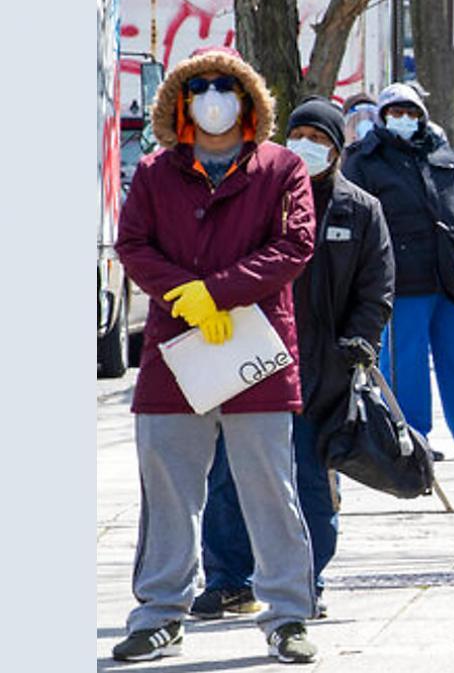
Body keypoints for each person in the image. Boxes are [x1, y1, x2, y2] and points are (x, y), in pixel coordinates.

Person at [111, 46, 320, 664]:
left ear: (248, 100)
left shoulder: (282, 169)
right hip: (176, 357)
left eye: (225, 85)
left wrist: (220, 292)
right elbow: (133, 244)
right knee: (168, 490)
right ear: (180, 102)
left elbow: (296, 244)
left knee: (270, 489)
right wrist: (184, 295)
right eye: (199, 86)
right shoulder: (152, 172)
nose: (213, 96)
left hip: (255, 353)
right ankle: (159, 614)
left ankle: (287, 613)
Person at [189, 97, 395, 623]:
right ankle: (228, 580)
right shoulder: (259, 200)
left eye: (321, 139)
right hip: (253, 364)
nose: (309, 147)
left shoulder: (361, 210)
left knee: (309, 480)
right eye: (299, 134)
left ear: (338, 148)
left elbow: (377, 288)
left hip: (322, 370)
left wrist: (361, 341)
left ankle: (307, 579)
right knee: (232, 476)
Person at [343, 82, 454, 458]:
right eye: (397, 112)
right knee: (405, 363)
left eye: (412, 113)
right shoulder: (364, 159)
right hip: (401, 279)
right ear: (382, 116)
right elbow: (355, 219)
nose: (405, 119)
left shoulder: (442, 155)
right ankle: (412, 437)